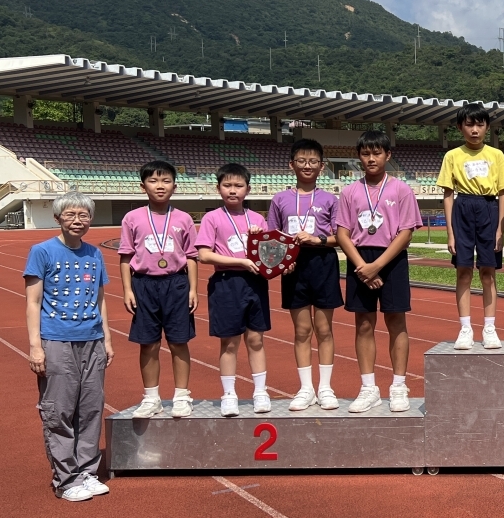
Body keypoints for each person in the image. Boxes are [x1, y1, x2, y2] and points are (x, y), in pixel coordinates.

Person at [25, 192, 114, 502]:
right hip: (57, 340)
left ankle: (87, 471)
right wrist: (35, 346)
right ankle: (66, 479)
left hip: (92, 340)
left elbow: (100, 300)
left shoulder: (95, 253)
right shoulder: (42, 252)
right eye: (70, 214)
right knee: (59, 410)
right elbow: (33, 302)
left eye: (83, 215)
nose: (78, 220)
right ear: (57, 218)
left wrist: (107, 339)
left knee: (91, 409)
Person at [335, 130, 421, 413]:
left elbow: (406, 233)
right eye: (365, 154)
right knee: (363, 324)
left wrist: (377, 266)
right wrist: (363, 267)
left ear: (388, 155)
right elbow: (342, 233)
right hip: (360, 259)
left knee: (396, 321)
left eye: (377, 153)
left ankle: (398, 386)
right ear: (358, 157)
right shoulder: (350, 192)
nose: (371, 159)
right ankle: (368, 388)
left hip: (391, 259)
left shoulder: (401, 189)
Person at [266, 137, 342, 411]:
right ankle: (306, 388)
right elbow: (272, 237)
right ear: (292, 164)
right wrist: (281, 261)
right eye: (301, 161)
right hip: (293, 267)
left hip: (322, 263)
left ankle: (326, 388)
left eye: (313, 161)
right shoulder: (280, 199)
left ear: (322, 166)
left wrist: (317, 239)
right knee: (301, 330)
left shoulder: (330, 199)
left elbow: (340, 237)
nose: (307, 165)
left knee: (324, 329)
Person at [118, 159, 197, 419]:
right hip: (144, 284)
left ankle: (182, 396)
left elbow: (192, 256)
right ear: (143, 186)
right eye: (153, 181)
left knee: (179, 342)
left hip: (177, 283)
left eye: (166, 181)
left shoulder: (184, 218)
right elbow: (126, 256)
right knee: (148, 343)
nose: (160, 186)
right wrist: (128, 290)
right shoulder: (132, 218)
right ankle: (151, 397)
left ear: (175, 186)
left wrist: (193, 289)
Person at [196, 163, 270, 417]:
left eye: (238, 185)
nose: (232, 190)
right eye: (227, 185)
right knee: (229, 342)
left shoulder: (258, 219)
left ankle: (260, 391)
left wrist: (259, 238)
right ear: (218, 188)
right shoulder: (212, 218)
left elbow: (269, 255)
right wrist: (240, 261)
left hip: (255, 282)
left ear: (248, 189)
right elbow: (204, 255)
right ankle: (229, 394)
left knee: (256, 339)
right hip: (226, 282)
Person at [439, 104, 504, 350]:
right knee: (464, 271)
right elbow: (448, 194)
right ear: (460, 127)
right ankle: (465, 328)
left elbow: (503, 193)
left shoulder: (496, 155)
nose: (475, 130)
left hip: (489, 208)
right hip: (463, 208)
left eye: (480, 124)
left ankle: (489, 327)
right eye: (469, 125)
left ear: (487, 127)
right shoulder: (452, 156)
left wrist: (500, 228)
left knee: (488, 272)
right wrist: (450, 233)